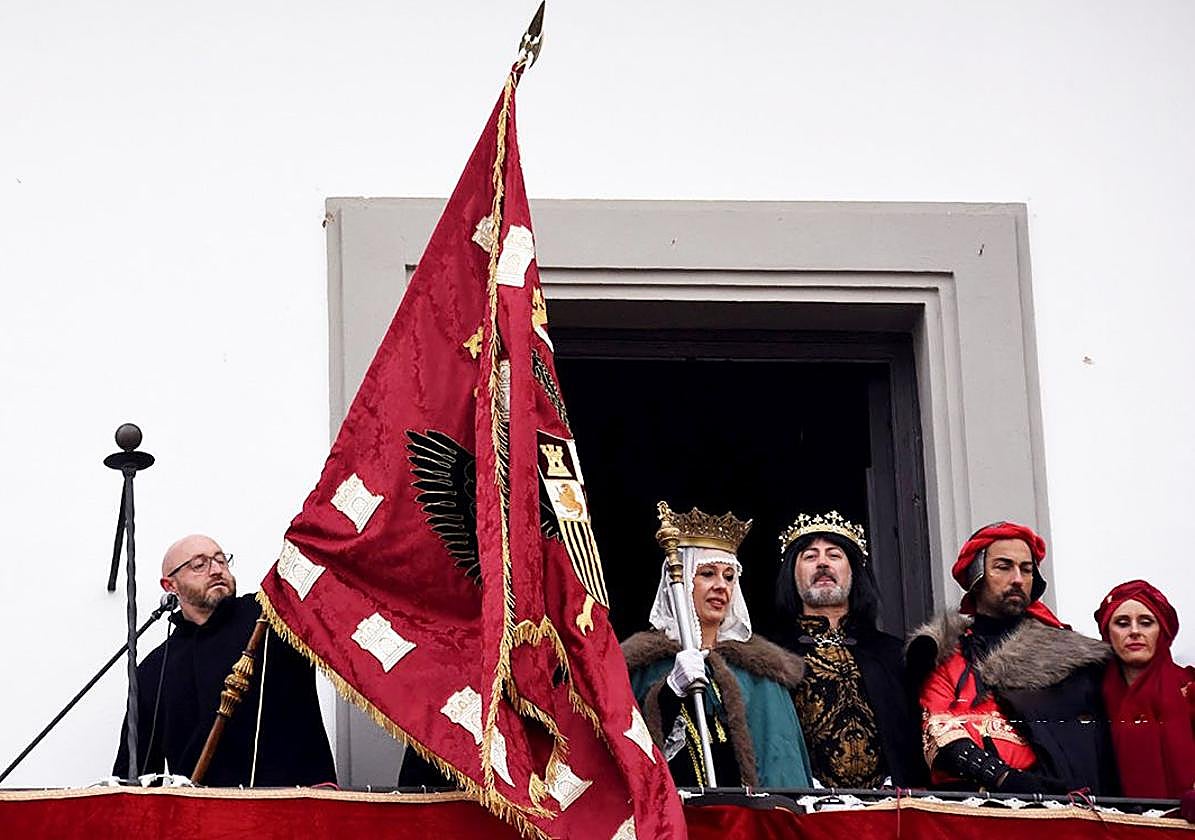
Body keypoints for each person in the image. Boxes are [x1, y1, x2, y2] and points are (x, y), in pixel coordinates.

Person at [906, 521, 1117, 794]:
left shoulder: (1068, 657)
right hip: (969, 811)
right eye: (1003, 567)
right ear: (976, 577)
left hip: (1057, 808)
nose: (1017, 578)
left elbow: (1090, 747)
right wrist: (1004, 778)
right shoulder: (946, 654)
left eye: (1026, 569)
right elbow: (937, 730)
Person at [113, 534, 336, 786]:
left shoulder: (272, 614)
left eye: (221, 560)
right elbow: (134, 777)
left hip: (294, 806)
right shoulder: (154, 669)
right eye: (200, 564)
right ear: (170, 585)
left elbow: (327, 589)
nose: (217, 570)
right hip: (203, 816)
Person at [621, 504, 812, 788]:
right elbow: (628, 758)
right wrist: (670, 692)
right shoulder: (641, 666)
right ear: (683, 581)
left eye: (729, 576)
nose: (721, 586)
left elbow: (782, 762)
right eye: (708, 574)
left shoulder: (760, 673)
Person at [774, 511, 926, 788]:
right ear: (792, 574)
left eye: (834, 555)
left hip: (892, 814)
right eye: (809, 556)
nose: (822, 563)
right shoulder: (771, 655)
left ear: (853, 571)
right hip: (807, 814)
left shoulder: (893, 654)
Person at [1094, 580, 1195, 799]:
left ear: (1163, 631)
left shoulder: (1190, 691)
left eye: (1146, 622)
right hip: (1114, 826)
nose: (1135, 632)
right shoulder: (1090, 698)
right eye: (1122, 623)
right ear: (1107, 633)